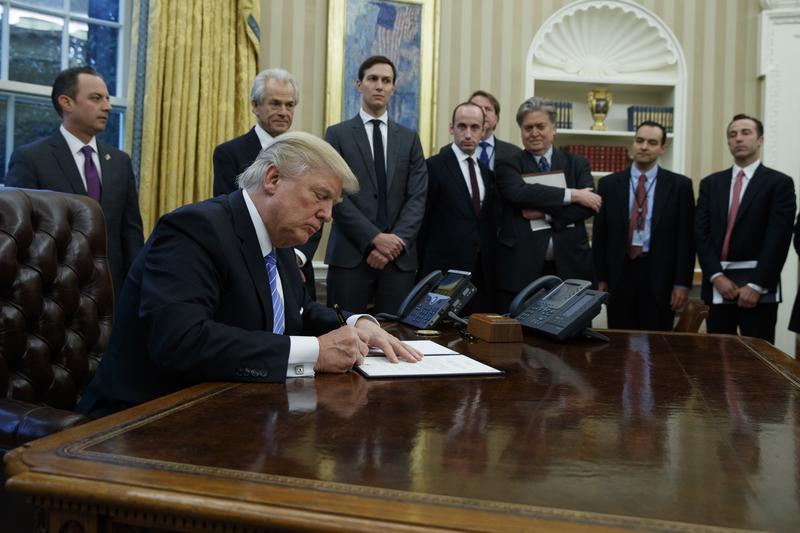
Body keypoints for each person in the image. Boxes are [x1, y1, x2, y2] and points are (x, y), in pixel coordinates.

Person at [77, 132, 422, 418]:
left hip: (229, 411)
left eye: (333, 203)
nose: (328, 215)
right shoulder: (195, 230)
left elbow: (297, 314)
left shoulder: (281, 243)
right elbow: (182, 341)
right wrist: (314, 352)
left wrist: (357, 323)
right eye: (320, 197)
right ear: (273, 179)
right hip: (144, 420)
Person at [5, 66, 144, 299]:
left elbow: (130, 232)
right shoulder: (32, 158)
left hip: (112, 292)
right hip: (52, 292)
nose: (107, 106)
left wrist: (137, 289)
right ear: (66, 103)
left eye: (108, 99)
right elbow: (19, 233)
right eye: (96, 98)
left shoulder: (119, 161)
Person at [324, 55, 427, 314]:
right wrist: (373, 238)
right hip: (350, 256)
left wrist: (393, 243)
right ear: (359, 84)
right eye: (373, 79)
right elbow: (332, 194)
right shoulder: (337, 135)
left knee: (397, 339)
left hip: (398, 260)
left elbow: (418, 197)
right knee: (343, 335)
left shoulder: (409, 138)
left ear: (393, 87)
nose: (379, 85)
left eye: (386, 80)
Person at [212, 68, 319, 298]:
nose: (283, 112)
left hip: (297, 274)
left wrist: (297, 257)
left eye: (289, 105)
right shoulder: (229, 153)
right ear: (255, 106)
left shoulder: (309, 156)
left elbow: (317, 213)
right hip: (248, 272)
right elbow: (229, 216)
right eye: (275, 104)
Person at [494, 96, 602, 312]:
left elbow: (588, 207)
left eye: (540, 126)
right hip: (524, 267)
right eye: (528, 128)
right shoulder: (508, 163)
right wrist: (572, 195)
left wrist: (546, 214)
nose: (534, 133)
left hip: (571, 265)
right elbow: (518, 193)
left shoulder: (577, 163)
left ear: (554, 128)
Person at [695, 114, 795, 343]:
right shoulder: (711, 184)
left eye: (745, 133)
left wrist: (756, 285)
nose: (738, 139)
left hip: (759, 290)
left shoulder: (779, 183)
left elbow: (778, 238)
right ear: (728, 142)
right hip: (719, 287)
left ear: (760, 140)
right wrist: (716, 276)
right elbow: (701, 233)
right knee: (717, 357)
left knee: (759, 363)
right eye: (732, 135)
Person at [592, 121, 695, 330]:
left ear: (662, 148)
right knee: (619, 343)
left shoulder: (680, 186)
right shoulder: (609, 184)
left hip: (660, 275)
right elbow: (600, 235)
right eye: (639, 141)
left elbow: (686, 239)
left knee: (657, 344)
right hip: (619, 275)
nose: (644, 147)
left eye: (652, 142)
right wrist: (599, 278)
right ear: (633, 143)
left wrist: (682, 283)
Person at [418, 102, 496, 313]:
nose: (468, 134)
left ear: (483, 130)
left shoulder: (487, 173)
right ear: (451, 128)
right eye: (462, 127)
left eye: (474, 127)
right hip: (442, 273)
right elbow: (421, 221)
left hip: (480, 275)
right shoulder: (433, 166)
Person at [469, 90, 522, 170]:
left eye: (487, 109)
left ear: (496, 118)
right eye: (477, 108)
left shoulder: (515, 153)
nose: (483, 113)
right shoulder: (451, 152)